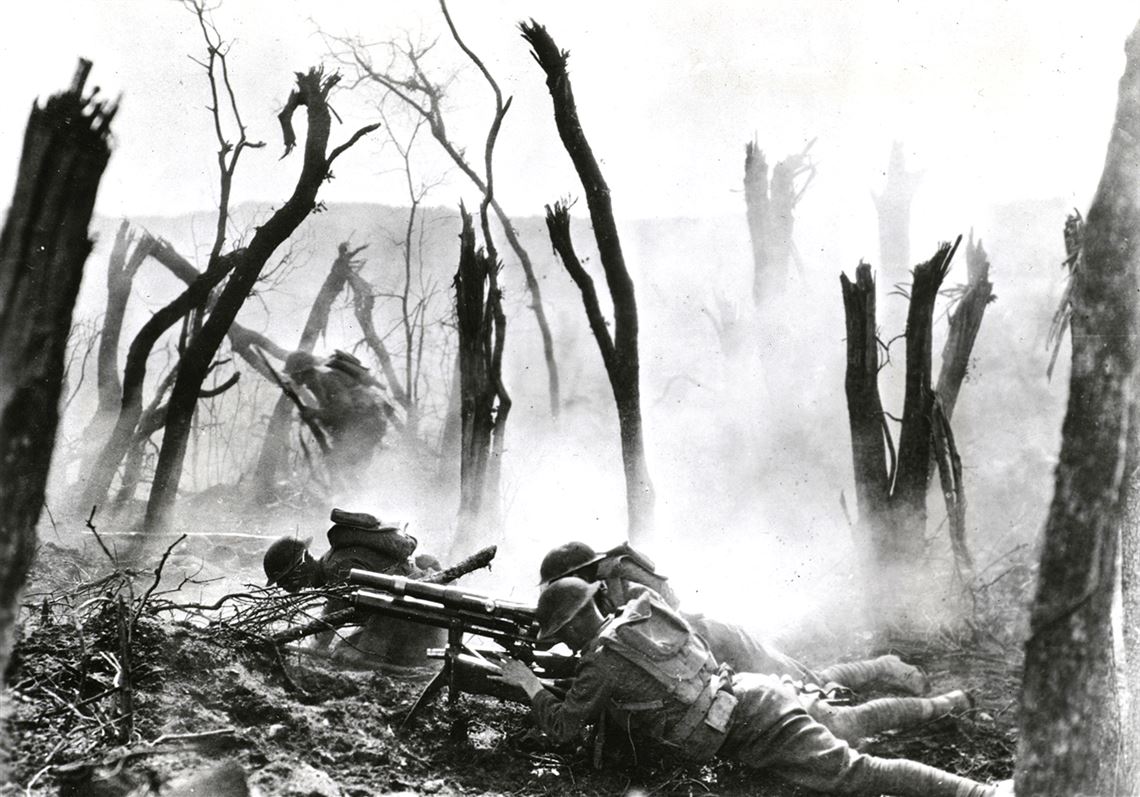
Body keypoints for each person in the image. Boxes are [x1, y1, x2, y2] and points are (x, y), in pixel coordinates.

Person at [491, 578, 1009, 797]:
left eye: (560, 635)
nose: (560, 645)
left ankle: (985, 793)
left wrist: (527, 683)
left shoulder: (600, 661)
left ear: (575, 626)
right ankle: (947, 705)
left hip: (753, 721)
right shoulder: (638, 614)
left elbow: (562, 729)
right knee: (853, 729)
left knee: (854, 772)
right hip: (753, 696)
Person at [539, 541, 928, 696]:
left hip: (712, 638)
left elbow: (669, 607)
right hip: (697, 660)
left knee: (806, 681)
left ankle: (885, 666)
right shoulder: (590, 600)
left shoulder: (619, 573)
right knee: (795, 686)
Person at [263, 509, 444, 667]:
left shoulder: (338, 569)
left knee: (354, 660)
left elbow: (383, 603)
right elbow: (332, 616)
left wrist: (364, 650)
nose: (288, 588)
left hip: (425, 617)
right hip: (411, 614)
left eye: (286, 581)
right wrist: (317, 647)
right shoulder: (332, 568)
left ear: (301, 567)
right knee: (343, 653)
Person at [283, 349, 392, 476]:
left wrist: (315, 413)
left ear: (300, 373)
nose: (292, 377)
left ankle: (359, 493)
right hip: (364, 425)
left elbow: (343, 405)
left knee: (344, 467)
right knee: (344, 468)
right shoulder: (317, 380)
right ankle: (356, 492)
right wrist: (313, 416)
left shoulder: (325, 378)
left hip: (365, 424)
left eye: (292, 374)